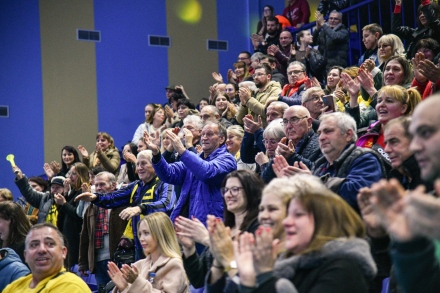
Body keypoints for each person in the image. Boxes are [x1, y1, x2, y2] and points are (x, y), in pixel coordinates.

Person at [233, 176, 376, 292]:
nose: (287, 221)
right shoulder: (286, 263)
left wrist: (264, 275)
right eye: (261, 209)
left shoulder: (344, 268)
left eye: (298, 214)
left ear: (322, 219)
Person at [274, 112, 384, 212]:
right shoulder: (320, 165)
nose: (321, 137)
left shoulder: (365, 158)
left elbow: (357, 193)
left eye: (328, 131)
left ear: (348, 134)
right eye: (320, 132)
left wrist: (313, 183)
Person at [75, 150, 173, 261]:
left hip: (161, 244)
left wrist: (140, 208)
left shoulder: (165, 182)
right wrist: (96, 197)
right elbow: (113, 197)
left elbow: (166, 204)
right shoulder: (135, 186)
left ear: (155, 165)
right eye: (137, 164)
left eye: (144, 163)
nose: (139, 168)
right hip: (140, 246)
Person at [176, 170, 264, 289]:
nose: (228, 194)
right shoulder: (224, 229)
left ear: (251, 191)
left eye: (235, 189)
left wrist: (208, 240)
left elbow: (250, 275)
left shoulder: (259, 228)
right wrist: (189, 248)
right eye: (226, 190)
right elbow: (198, 280)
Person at [144, 122, 236, 223]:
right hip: (187, 226)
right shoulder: (194, 159)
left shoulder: (228, 159)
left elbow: (207, 173)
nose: (204, 138)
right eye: (203, 134)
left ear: (221, 139)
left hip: (212, 227)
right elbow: (167, 174)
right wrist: (156, 153)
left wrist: (182, 150)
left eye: (209, 134)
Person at [108, 212, 189, 293]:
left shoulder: (174, 265)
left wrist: (137, 282)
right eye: (140, 234)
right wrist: (124, 287)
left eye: (146, 233)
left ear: (161, 234)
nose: (141, 239)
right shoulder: (139, 265)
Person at [3, 223, 91, 292]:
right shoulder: (14, 286)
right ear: (25, 255)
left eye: (50, 244)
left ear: (63, 252)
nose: (42, 250)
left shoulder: (71, 286)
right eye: (34, 245)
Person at [78, 171, 129, 290]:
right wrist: (83, 263)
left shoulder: (124, 205)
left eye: (102, 184)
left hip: (120, 259)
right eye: (96, 185)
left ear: (113, 185)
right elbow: (84, 237)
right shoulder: (90, 208)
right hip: (98, 261)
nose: (99, 188)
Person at [262, 106, 321, 183]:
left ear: (309, 122)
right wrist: (276, 158)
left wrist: (291, 156)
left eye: (294, 120)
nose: (289, 126)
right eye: (285, 121)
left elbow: (320, 174)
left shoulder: (320, 144)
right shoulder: (283, 145)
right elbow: (264, 180)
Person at [57, 162, 89, 268]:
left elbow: (77, 214)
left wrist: (64, 203)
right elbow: (62, 213)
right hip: (67, 235)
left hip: (76, 237)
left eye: (74, 173)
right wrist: (66, 193)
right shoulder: (74, 192)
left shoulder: (83, 192)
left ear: (82, 175)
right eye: (70, 173)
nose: (70, 176)